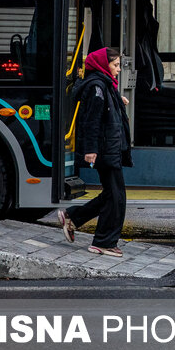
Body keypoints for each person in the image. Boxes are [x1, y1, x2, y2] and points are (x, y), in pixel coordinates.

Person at [57, 47, 133, 257]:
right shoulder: (97, 86)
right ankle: (103, 242)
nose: (118, 69)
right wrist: (91, 150)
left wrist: (119, 101)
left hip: (109, 149)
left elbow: (105, 111)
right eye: (115, 65)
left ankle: (73, 217)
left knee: (112, 194)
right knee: (116, 198)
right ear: (103, 64)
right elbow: (92, 120)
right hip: (104, 150)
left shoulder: (104, 85)